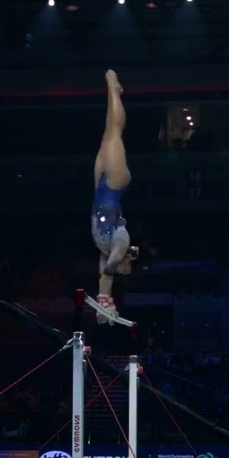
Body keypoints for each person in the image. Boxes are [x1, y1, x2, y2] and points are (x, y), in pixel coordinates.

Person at [91, 69, 139, 324]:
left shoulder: (105, 250)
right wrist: (103, 298)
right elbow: (109, 270)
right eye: (125, 269)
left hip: (100, 184)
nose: (122, 270)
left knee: (107, 134)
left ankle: (113, 90)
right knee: (114, 133)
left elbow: (105, 270)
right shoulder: (121, 242)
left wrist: (106, 302)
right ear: (126, 261)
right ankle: (112, 85)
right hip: (114, 183)